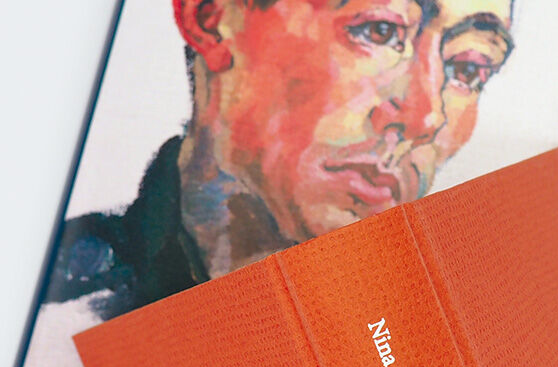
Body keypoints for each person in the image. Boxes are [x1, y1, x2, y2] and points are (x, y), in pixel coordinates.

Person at [46, 0, 514, 320]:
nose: (425, 116)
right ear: (213, 18)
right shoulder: (59, 311)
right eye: (379, 30)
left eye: (468, 68)